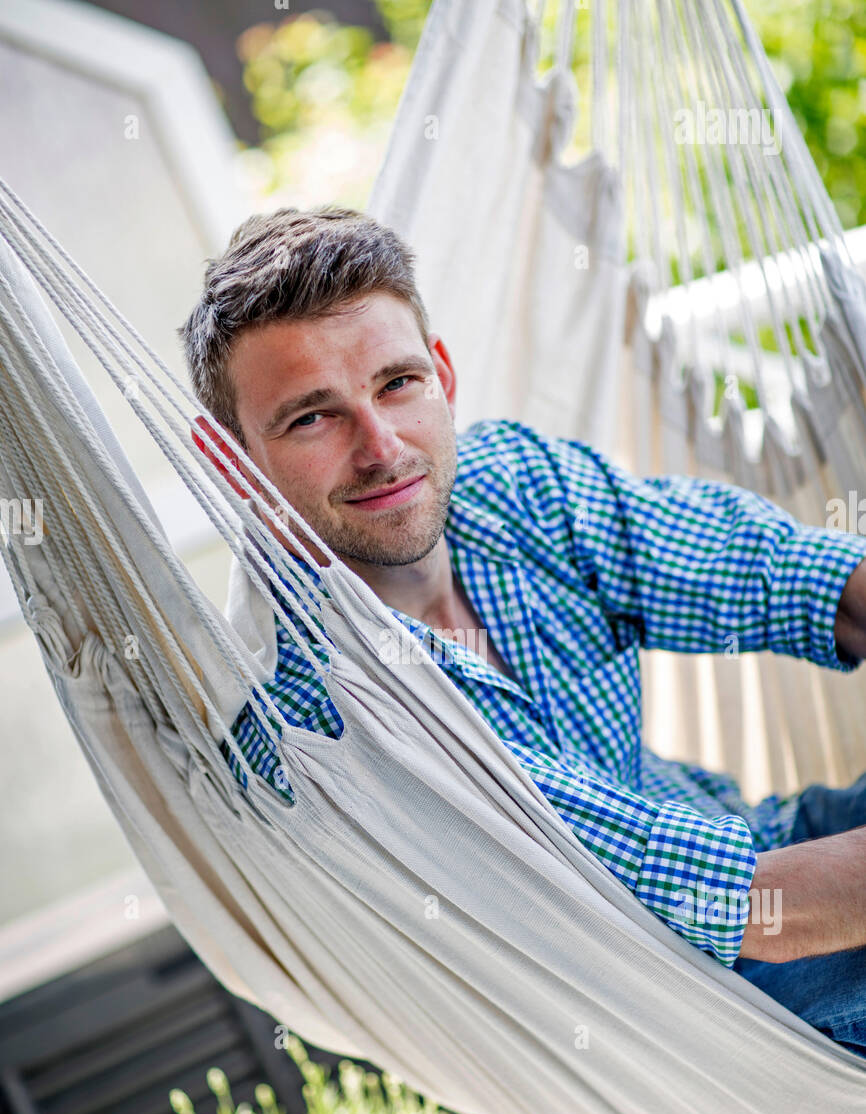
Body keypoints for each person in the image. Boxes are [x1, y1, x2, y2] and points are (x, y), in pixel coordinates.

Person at [180, 206, 866, 1058]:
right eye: (312, 418)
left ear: (443, 376)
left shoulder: (510, 485)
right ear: (228, 459)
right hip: (674, 1033)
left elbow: (786, 575)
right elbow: (737, 905)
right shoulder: (311, 717)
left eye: (397, 384)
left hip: (765, 846)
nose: (382, 447)